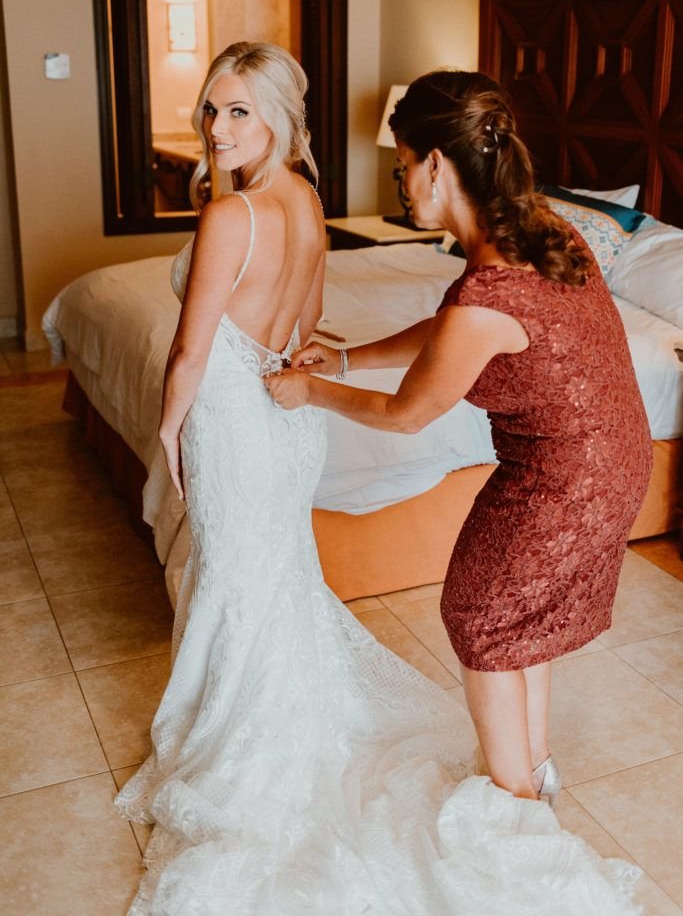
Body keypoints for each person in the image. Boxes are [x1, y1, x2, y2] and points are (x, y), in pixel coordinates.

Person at [118, 51, 644, 915]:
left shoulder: (488, 290)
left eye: (403, 166)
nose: (400, 183)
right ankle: (528, 774)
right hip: (605, 454)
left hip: (567, 474)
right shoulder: (543, 227)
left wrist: (309, 387)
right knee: (515, 618)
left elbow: (408, 415)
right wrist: (350, 352)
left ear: (438, 164)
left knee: (479, 615)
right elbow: (449, 327)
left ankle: (514, 809)